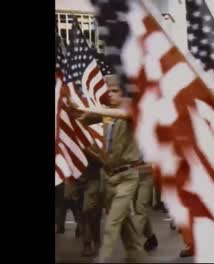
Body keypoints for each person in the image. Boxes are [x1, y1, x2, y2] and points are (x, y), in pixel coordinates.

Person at [68, 75, 147, 262]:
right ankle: (138, 258)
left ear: (124, 93)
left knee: (112, 223)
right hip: (109, 177)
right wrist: (69, 104)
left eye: (115, 91)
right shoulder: (106, 114)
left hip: (127, 176)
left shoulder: (132, 112)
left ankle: (102, 259)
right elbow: (80, 119)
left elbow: (120, 114)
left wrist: (87, 108)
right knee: (127, 228)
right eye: (108, 91)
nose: (110, 94)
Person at [79, 147, 104, 257]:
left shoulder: (95, 137)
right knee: (81, 215)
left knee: (89, 210)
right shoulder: (70, 136)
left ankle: (95, 242)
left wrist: (88, 151)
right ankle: (87, 244)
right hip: (76, 181)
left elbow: (102, 162)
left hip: (93, 180)